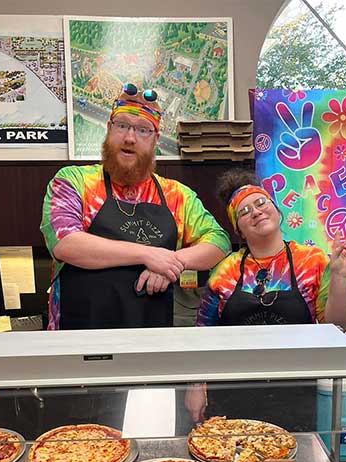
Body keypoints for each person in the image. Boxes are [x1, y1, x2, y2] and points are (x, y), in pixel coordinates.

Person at [40, 82, 230, 331]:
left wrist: (172, 263)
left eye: (143, 130)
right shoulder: (74, 181)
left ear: (156, 139)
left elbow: (219, 241)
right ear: (109, 129)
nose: (130, 138)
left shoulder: (177, 195)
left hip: (150, 341)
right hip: (80, 339)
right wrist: (148, 254)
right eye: (122, 126)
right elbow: (65, 243)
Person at [185, 168, 346, 429]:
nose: (255, 211)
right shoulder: (225, 271)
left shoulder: (313, 261)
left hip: (296, 393)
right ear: (239, 230)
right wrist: (196, 386)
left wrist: (341, 278)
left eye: (261, 202)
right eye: (244, 211)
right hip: (231, 395)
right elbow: (203, 335)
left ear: (278, 211)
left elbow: (337, 326)